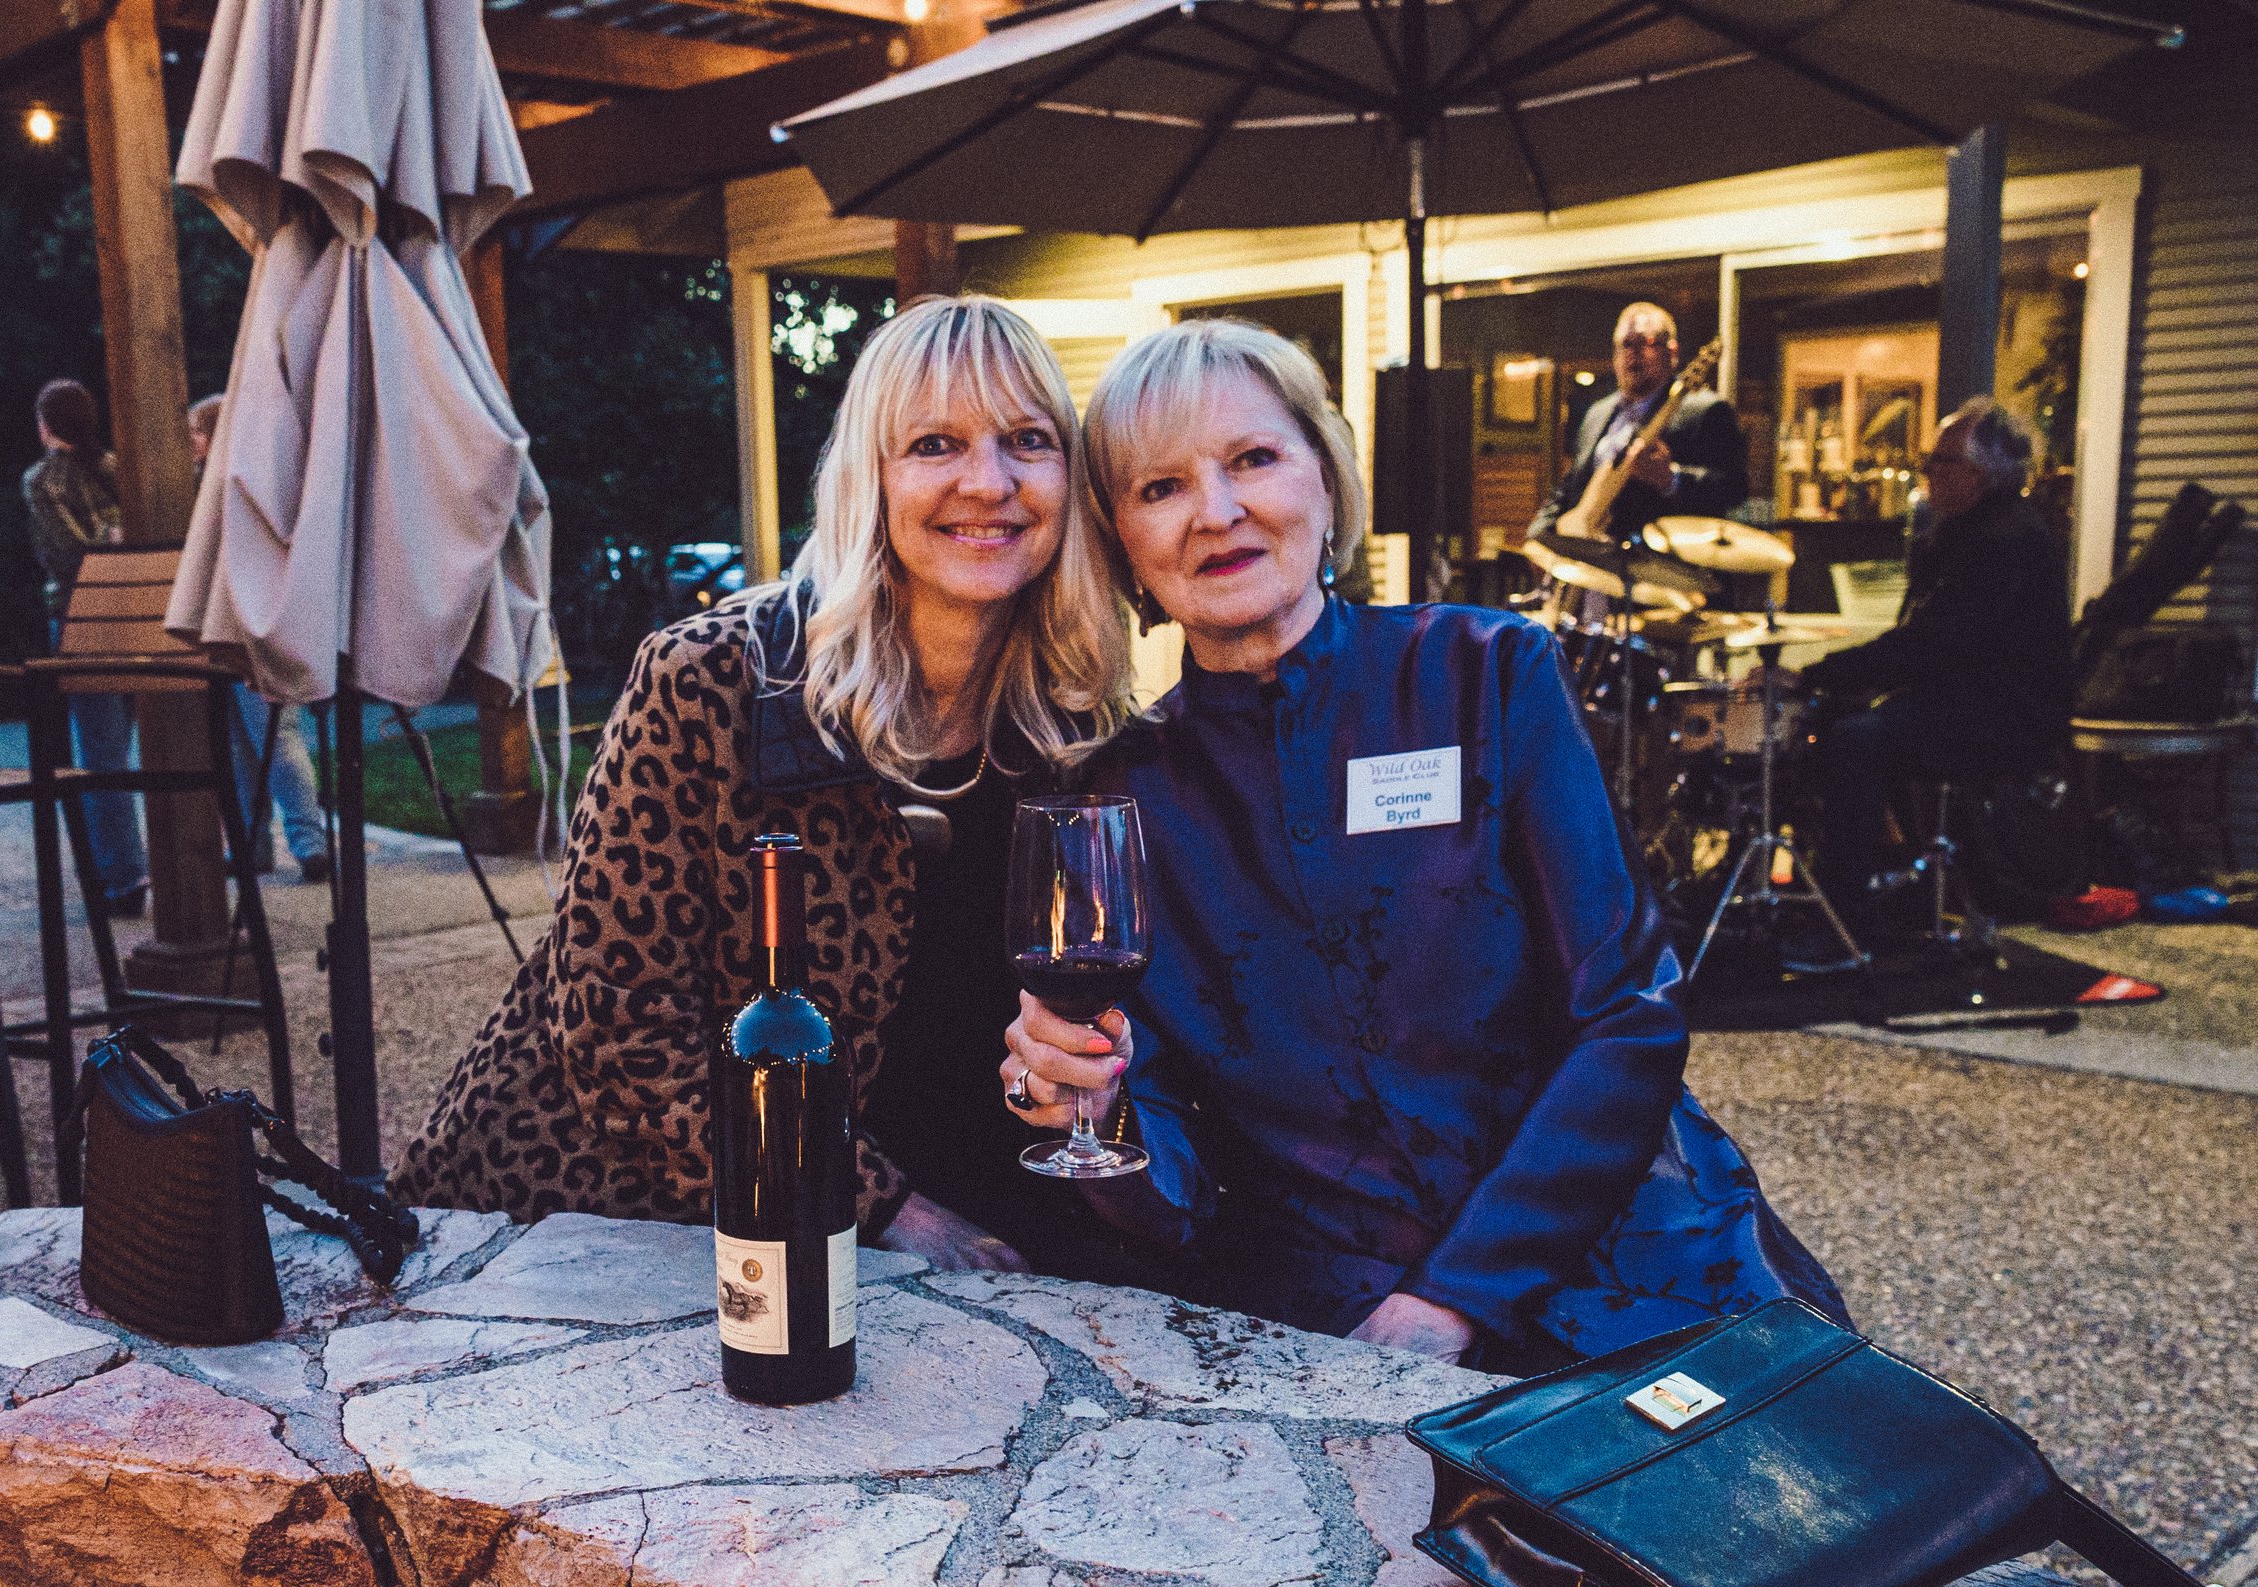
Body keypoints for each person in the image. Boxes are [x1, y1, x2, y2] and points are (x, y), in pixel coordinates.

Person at [1002, 318, 1843, 1369]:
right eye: (1160, 486)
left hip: (1633, 1263)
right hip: (1334, 1321)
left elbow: (1627, 1011)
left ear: (1325, 478)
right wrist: (1102, 1107)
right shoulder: (1121, 796)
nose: (1215, 512)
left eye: (1253, 459)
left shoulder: (1487, 672)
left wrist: (1453, 1296)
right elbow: (1180, 1189)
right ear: (1120, 536)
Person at [393, 296, 1138, 1273]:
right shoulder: (713, 681)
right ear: (871, 477)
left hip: (934, 1217)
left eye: (1027, 441)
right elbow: (620, 1032)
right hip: (604, 1223)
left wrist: (1068, 1081)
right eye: (935, 444)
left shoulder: (1071, 725)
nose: (987, 482)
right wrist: (885, 1209)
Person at [1802, 398, 2070, 907]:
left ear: (1979, 475)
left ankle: (1847, 907)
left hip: (2002, 717)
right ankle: (1889, 874)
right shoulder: (1967, 532)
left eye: (1941, 461)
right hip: (1968, 701)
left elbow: (1932, 645)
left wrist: (1816, 674)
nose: (1927, 470)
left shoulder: (2003, 540)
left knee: (1857, 739)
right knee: (1837, 716)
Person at [189, 394, 331, 885]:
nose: (189, 441)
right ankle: (254, 846)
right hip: (223, 631)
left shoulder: (241, 483)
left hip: (254, 625)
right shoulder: (209, 484)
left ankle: (310, 844)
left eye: (196, 431)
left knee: (276, 734)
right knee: (239, 745)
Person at [22, 378, 147, 917]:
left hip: (80, 619)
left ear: (45, 425)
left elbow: (67, 555)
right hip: (139, 613)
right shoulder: (119, 469)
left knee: (98, 753)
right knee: (127, 744)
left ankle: (121, 875)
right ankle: (133, 864)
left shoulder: (41, 480)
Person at [1525, 301, 1747, 547]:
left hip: (1655, 558)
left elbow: (1734, 488)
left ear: (1672, 352)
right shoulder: (1597, 413)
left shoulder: (1707, 411)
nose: (1633, 353)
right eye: (1626, 344)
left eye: (1645, 343)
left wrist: (1670, 479)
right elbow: (1571, 486)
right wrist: (1539, 535)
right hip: (1587, 559)